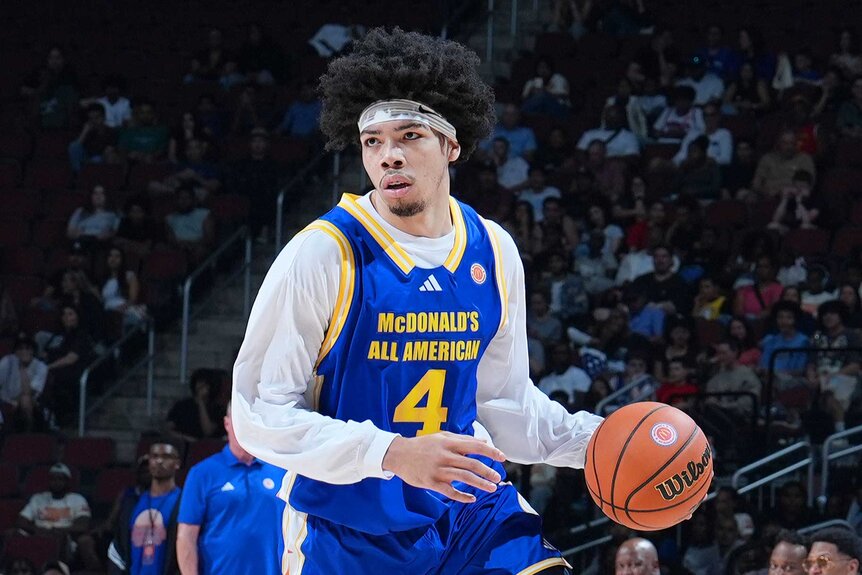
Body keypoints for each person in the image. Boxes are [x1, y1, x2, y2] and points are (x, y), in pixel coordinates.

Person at [232, 27, 603, 575]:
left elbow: (503, 406)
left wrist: (600, 443)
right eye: (373, 141)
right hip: (350, 524)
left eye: (410, 136)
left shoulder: (493, 249)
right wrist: (393, 454)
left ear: (452, 145)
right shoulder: (324, 253)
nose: (389, 157)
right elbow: (258, 413)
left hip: (467, 506)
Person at [176, 403, 285, 575]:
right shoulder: (202, 473)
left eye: (250, 421)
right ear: (227, 423)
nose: (245, 428)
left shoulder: (281, 471)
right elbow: (186, 536)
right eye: (240, 420)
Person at [108, 439, 182, 575]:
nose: (159, 461)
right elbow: (117, 550)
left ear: (177, 463)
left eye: (166, 457)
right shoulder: (131, 504)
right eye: (154, 456)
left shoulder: (184, 502)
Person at [17, 463, 100, 571]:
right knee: (13, 533)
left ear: (67, 481)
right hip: (38, 534)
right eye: (53, 479)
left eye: (60, 479)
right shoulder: (38, 499)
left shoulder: (77, 499)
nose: (56, 482)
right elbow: (21, 521)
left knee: (64, 539)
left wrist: (58, 531)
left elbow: (82, 525)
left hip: (66, 537)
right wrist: (37, 530)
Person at [0, 335, 48, 432]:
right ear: (16, 352)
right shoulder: (7, 362)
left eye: (27, 349)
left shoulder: (41, 367)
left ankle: (28, 434)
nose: (24, 352)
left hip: (32, 401)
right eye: (20, 349)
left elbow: (29, 392)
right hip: (5, 398)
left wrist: (22, 368)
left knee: (25, 399)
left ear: (33, 351)